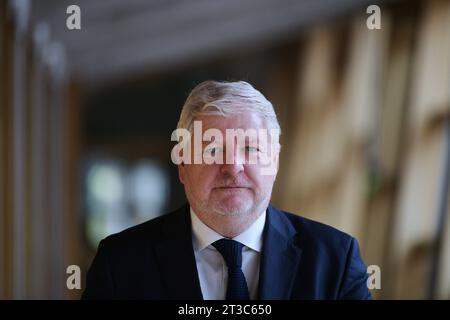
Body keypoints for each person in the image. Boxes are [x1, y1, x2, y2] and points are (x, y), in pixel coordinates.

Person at [82, 80, 372, 300]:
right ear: (182, 165)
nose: (232, 167)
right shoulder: (120, 264)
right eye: (213, 150)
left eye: (250, 148)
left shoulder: (336, 261)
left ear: (274, 161)